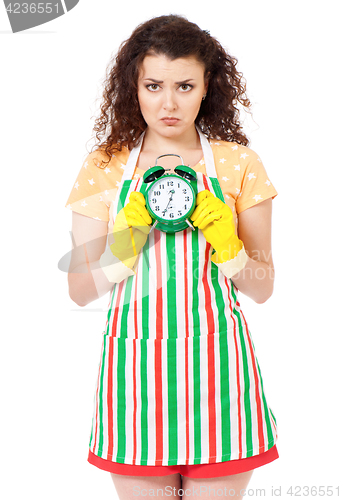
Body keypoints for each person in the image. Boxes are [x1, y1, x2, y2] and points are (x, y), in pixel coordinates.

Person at [66, 14, 278, 500]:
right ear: (133, 87)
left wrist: (229, 244)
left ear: (208, 88)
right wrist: (127, 242)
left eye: (184, 85)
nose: (168, 102)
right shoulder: (106, 165)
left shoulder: (238, 164)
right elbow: (79, 290)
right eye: (153, 85)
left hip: (221, 377)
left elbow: (263, 288)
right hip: (134, 378)